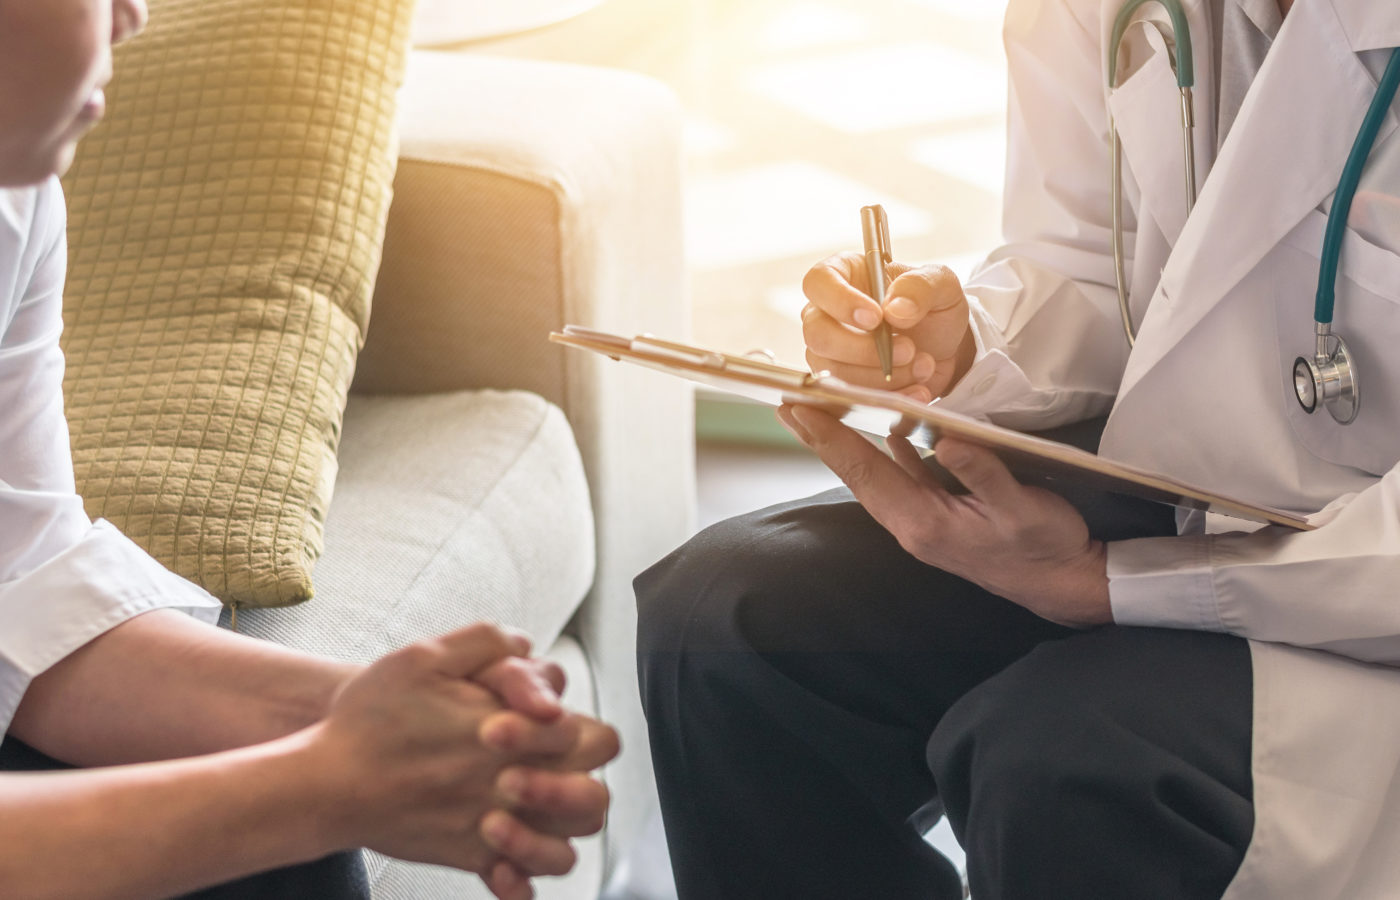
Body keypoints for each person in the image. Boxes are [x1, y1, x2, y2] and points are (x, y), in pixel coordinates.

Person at [636, 0, 1400, 897]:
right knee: (726, 625)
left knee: (1066, 765)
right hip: (1212, 488)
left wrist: (1109, 580)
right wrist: (962, 346)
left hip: (1367, 597)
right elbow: (1093, 259)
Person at [0, 2, 618, 898]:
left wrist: (376, 719)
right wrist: (308, 788)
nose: (133, 15)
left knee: (285, 836)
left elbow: (24, 579)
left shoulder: (17, 197)